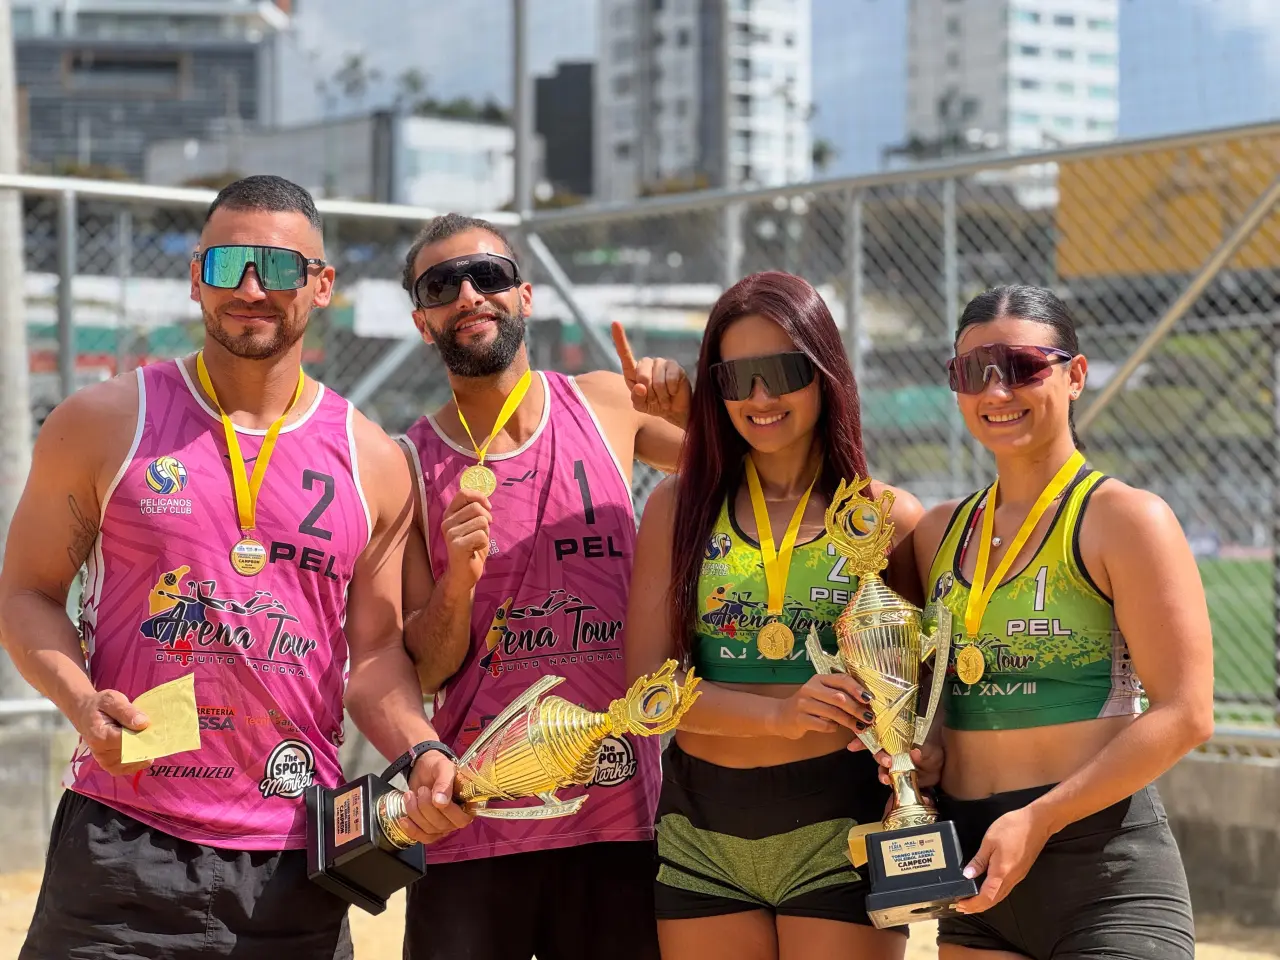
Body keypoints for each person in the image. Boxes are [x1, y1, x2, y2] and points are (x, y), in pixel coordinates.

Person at [0, 175, 463, 960]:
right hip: (123, 840)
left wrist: (421, 751)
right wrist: (81, 703)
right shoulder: (103, 423)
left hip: (295, 858)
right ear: (194, 277)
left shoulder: (374, 461)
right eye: (226, 265)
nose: (251, 287)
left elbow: (378, 654)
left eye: (279, 268)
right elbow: (25, 593)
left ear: (322, 286)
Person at [397, 213, 690, 960]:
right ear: (422, 321)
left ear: (524, 294)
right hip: (474, 825)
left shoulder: (606, 405)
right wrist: (457, 586)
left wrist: (693, 412)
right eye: (441, 285)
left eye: (488, 275)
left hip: (621, 818)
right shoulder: (407, 465)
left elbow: (753, 475)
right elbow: (424, 669)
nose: (468, 294)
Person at [625, 271, 926, 960]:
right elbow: (645, 688)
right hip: (702, 828)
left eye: (783, 371)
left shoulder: (885, 518)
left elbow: (920, 697)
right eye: (737, 378)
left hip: (838, 826)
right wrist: (780, 715)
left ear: (825, 374)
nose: (761, 398)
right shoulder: (677, 509)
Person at [912, 284, 1214, 959]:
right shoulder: (938, 533)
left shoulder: (1125, 519)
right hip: (977, 877)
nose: (996, 391)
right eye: (972, 373)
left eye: (1022, 367)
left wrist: (1041, 818)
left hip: (1102, 873)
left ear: (1075, 375)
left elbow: (1187, 712)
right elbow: (936, 689)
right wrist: (922, 749)